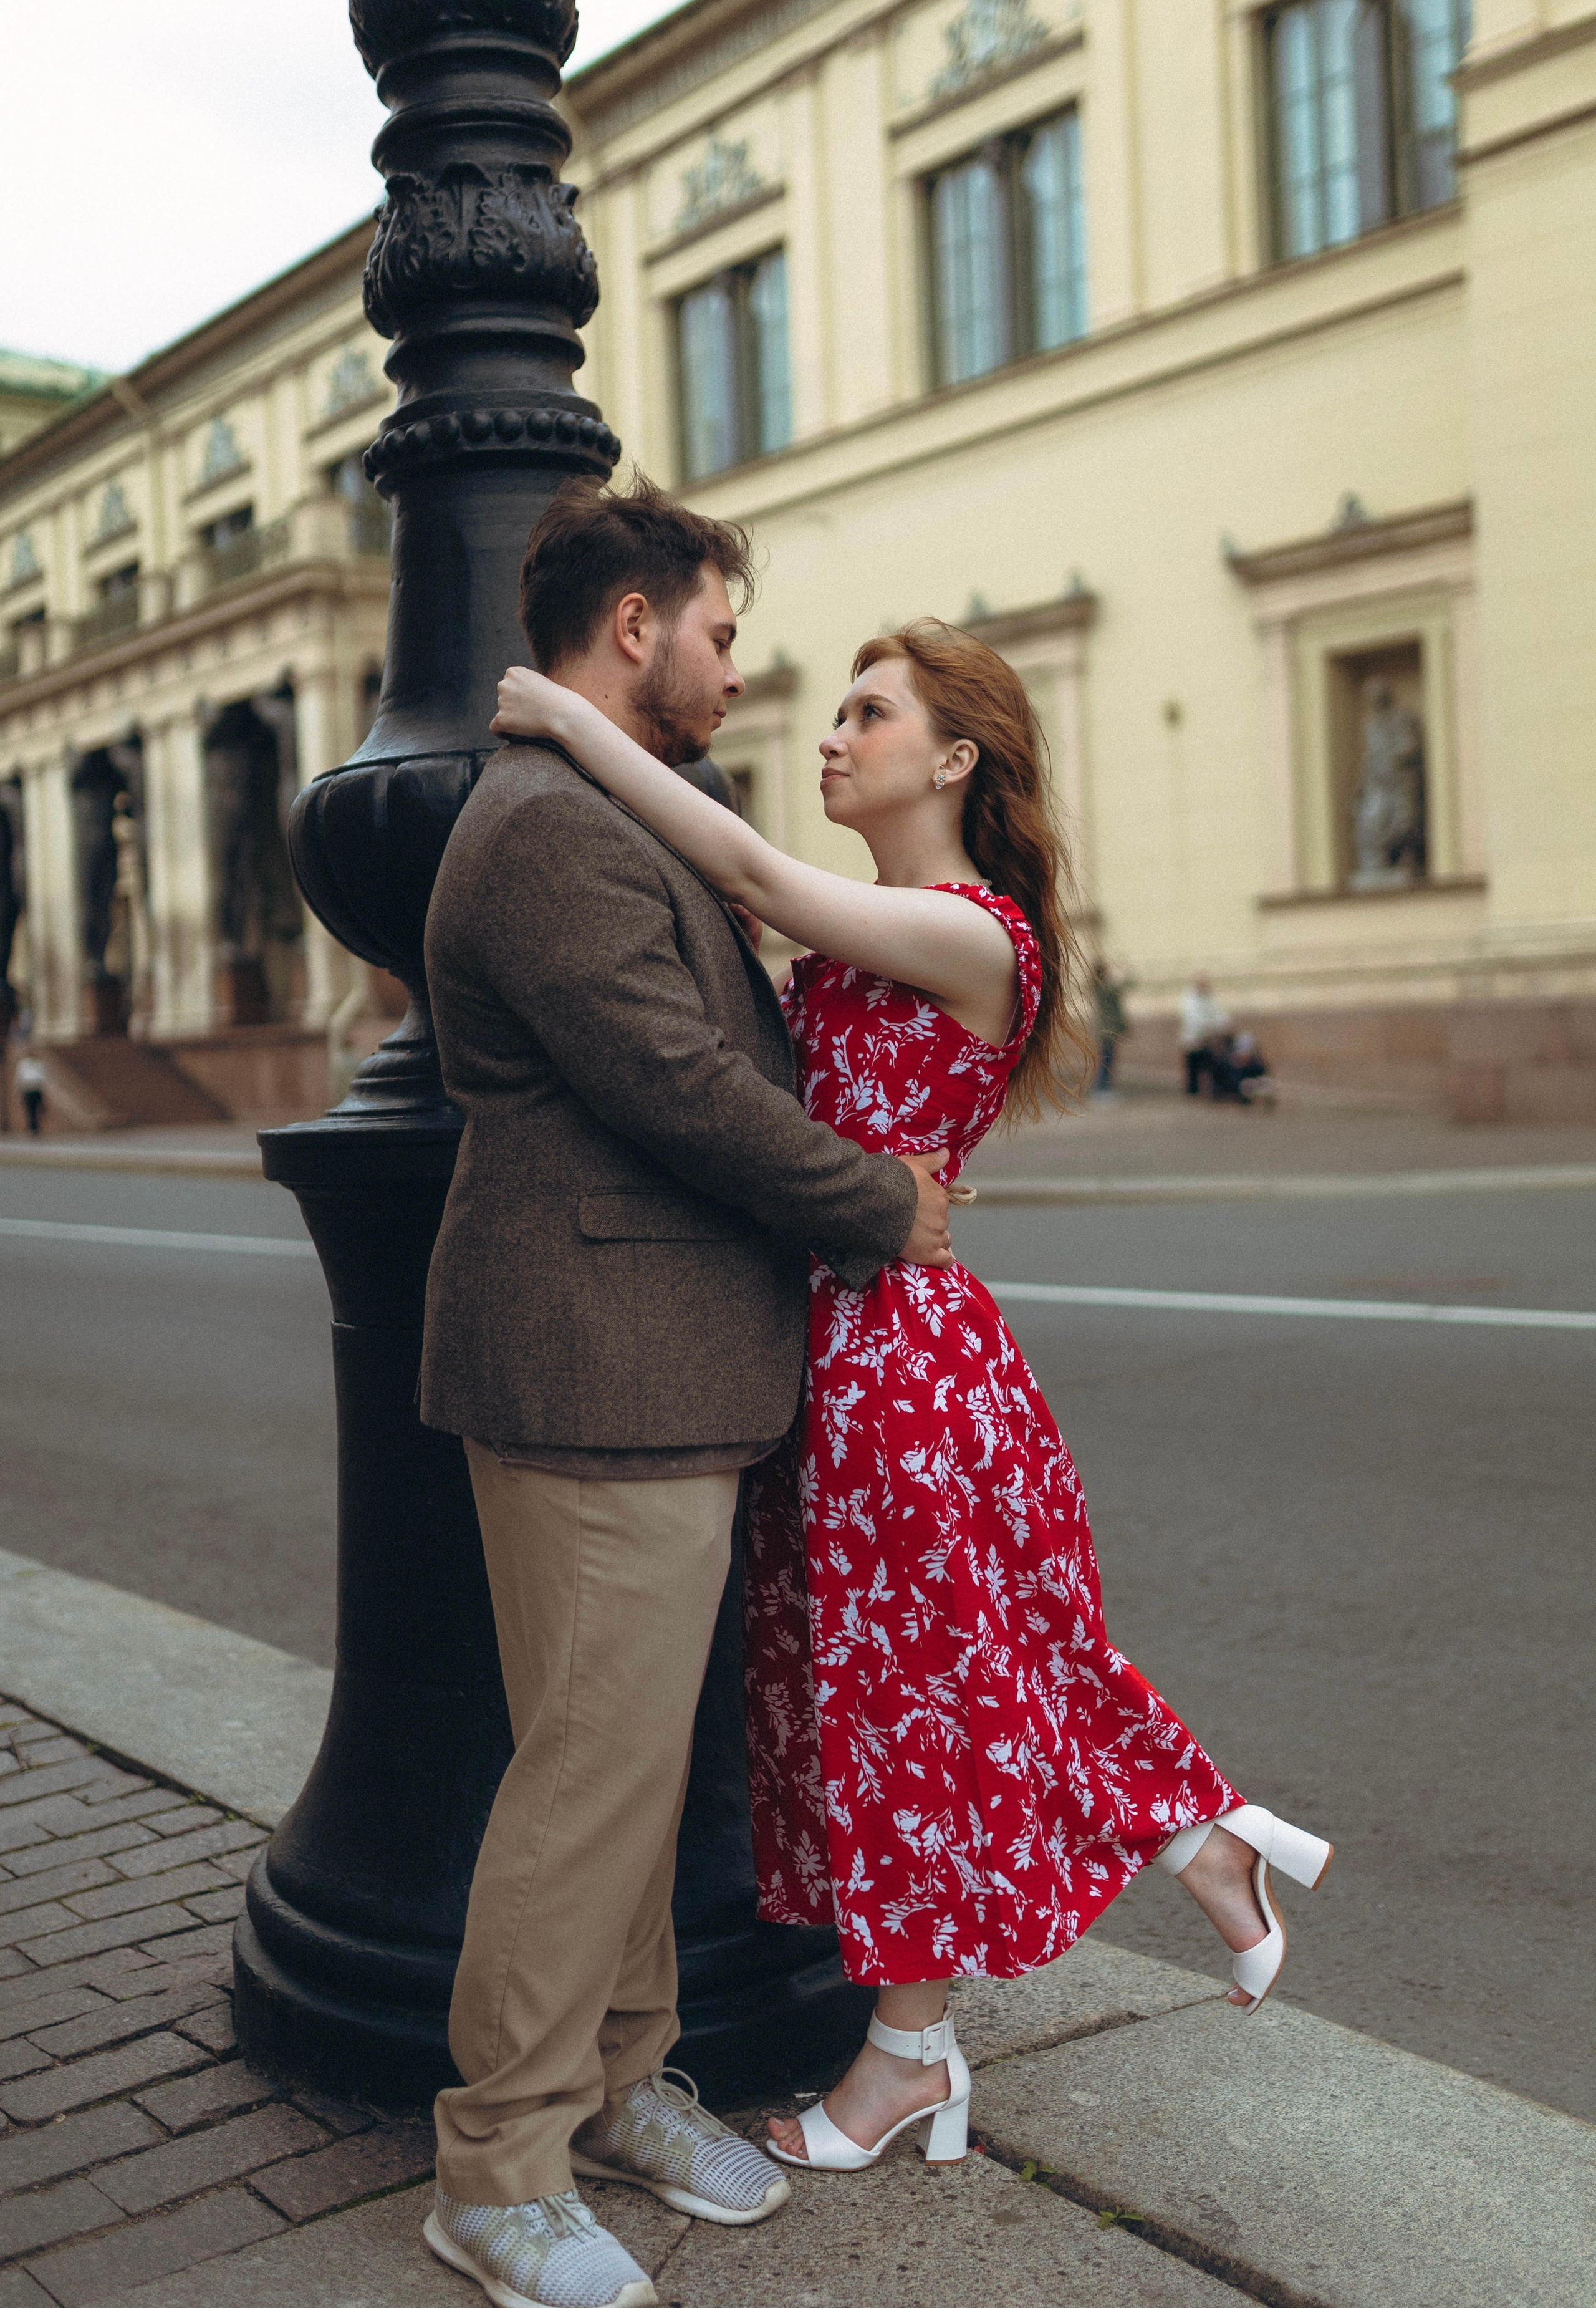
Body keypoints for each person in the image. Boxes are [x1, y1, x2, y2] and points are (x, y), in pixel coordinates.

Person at [493, 612, 1333, 2186]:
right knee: (968, 1679)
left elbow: (744, 876)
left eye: (866, 712)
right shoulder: (882, 926)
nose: (830, 733)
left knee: (912, 1714)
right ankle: (1201, 1840)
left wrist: (566, 718)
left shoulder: (973, 931)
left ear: (952, 756)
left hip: (899, 1362)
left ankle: (904, 2056)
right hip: (845, 1350)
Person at [417, 477, 959, 2308]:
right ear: (630, 624)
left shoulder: (608, 802)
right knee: (586, 1778)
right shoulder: (550, 824)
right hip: (591, 1368)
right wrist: (885, 1199)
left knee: (635, 1771)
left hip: (649, 1369)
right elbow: (680, 1089)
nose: (740, 669)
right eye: (721, 631)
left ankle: (618, 2077)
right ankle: (494, 2161)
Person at [1179, 974, 1224, 1096]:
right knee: (1193, 1067)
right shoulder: (1190, 1000)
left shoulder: (1209, 998)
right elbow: (1192, 1020)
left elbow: (1219, 1015)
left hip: (1209, 1038)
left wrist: (1216, 1029)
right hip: (1194, 1039)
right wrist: (1208, 1029)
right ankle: (1193, 1091)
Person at [1092, 959, 1127, 1091]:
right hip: (1107, 1030)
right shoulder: (1103, 988)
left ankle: (1103, 1085)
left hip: (1107, 1029)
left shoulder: (1100, 987)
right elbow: (1117, 990)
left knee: (1107, 1058)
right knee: (1107, 1059)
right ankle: (1102, 1086)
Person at [14, 1051, 46, 1136]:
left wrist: (17, 1089)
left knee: (33, 1109)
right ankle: (33, 1127)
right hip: (31, 1088)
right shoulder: (25, 1063)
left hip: (33, 1088)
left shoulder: (34, 1063)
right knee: (31, 1109)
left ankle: (34, 1127)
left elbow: (20, 1077)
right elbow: (20, 1076)